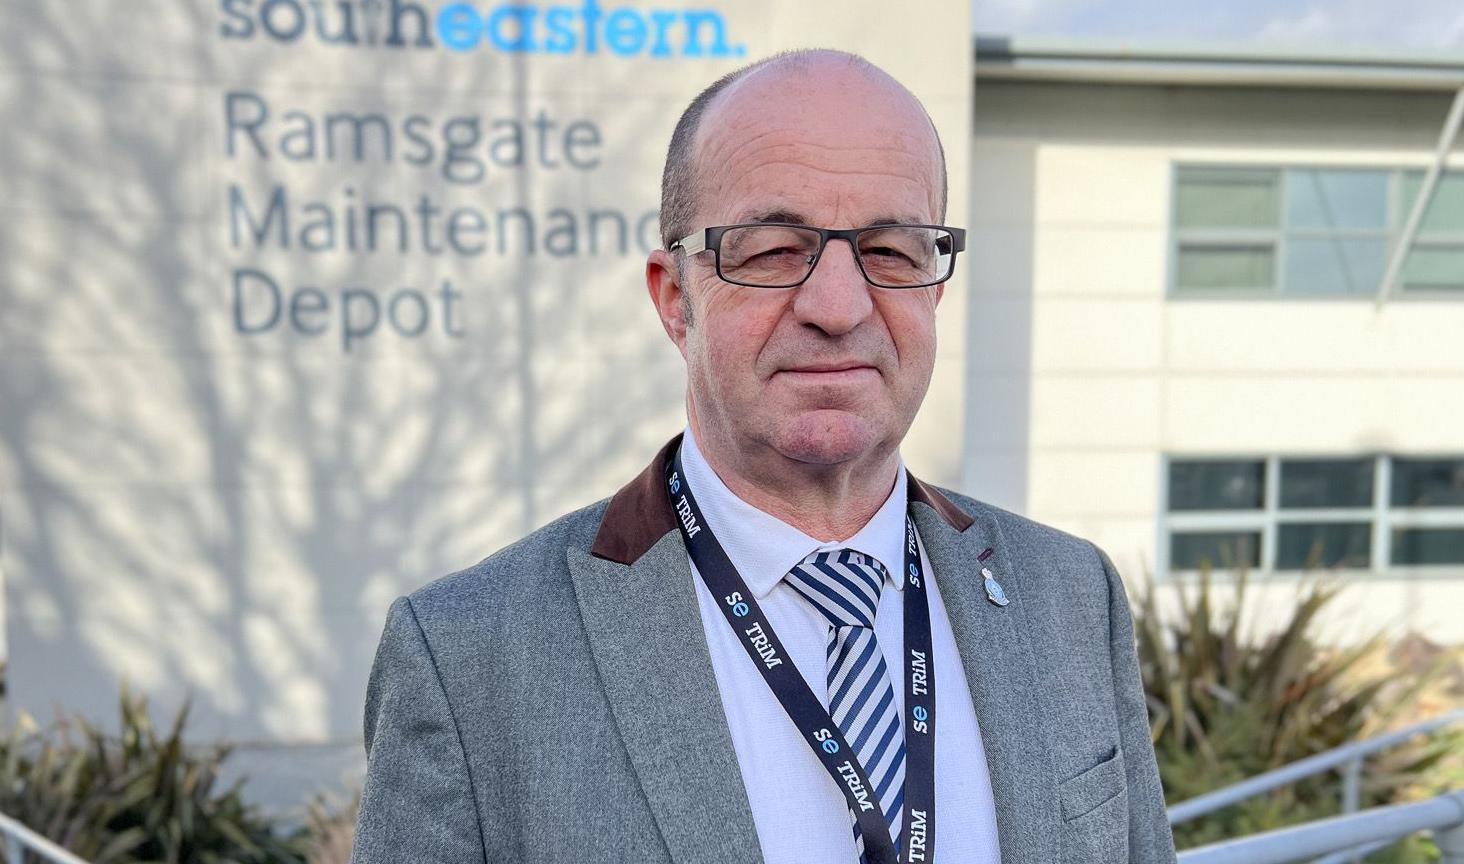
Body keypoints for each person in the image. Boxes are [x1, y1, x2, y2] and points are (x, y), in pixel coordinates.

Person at [352, 49, 1176, 864]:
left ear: (935, 287)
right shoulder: (469, 657)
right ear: (677, 300)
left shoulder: (1070, 599)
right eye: (775, 248)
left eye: (891, 250)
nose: (838, 306)